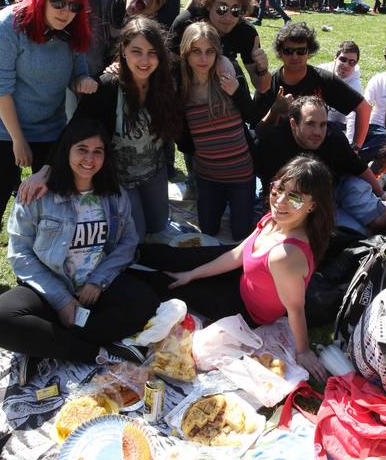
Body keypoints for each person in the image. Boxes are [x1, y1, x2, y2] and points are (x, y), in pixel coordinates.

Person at [0, 117, 158, 384]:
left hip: (93, 291)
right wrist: (61, 300)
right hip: (49, 291)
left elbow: (127, 242)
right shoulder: (36, 195)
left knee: (145, 301)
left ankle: (45, 343)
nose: (90, 159)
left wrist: (98, 281)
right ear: (67, 151)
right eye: (82, 149)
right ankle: (93, 351)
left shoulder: (113, 193)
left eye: (98, 151)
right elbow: (20, 254)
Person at [0, 0, 97, 307]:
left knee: (55, 190)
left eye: (73, 5)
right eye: (58, 2)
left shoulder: (73, 32)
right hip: (0, 123)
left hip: (48, 124)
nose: (66, 12)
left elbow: (77, 72)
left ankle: (47, 259)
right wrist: (17, 140)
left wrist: (83, 82)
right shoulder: (8, 24)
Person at [138, 156, 333, 379]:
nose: (280, 202)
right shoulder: (274, 220)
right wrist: (192, 273)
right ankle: (126, 252)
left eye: (295, 197)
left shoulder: (285, 255)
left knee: (168, 284)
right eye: (278, 190)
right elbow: (238, 254)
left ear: (312, 205)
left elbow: (295, 309)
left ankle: (117, 276)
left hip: (244, 309)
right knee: (177, 258)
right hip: (243, 276)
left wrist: (303, 351)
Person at [20, 17, 180, 243]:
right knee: (137, 237)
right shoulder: (107, 86)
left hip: (154, 171)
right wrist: (44, 171)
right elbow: (74, 129)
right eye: (137, 51)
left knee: (159, 225)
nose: (145, 60)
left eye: (152, 52)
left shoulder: (165, 83)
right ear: (123, 50)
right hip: (120, 179)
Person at [255, 96, 386, 236]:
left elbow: (359, 167)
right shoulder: (274, 144)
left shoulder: (333, 136)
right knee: (354, 233)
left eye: (323, 125)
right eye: (310, 124)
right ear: (294, 124)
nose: (318, 132)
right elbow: (272, 190)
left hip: (342, 185)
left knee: (380, 221)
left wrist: (382, 194)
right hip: (306, 201)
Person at [177, 21, 257, 240]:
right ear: (186, 52)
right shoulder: (182, 87)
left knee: (241, 232)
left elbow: (253, 117)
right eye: (196, 52)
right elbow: (183, 141)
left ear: (217, 52)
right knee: (208, 230)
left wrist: (238, 92)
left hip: (241, 174)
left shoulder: (227, 75)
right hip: (208, 176)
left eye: (209, 52)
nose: (203, 59)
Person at [254, 21, 370, 150]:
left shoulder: (323, 79)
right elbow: (258, 132)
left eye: (301, 51)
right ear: (280, 53)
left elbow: (363, 108)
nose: (294, 56)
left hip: (314, 150)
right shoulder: (268, 84)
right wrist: (274, 112)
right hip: (278, 149)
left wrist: (356, 148)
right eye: (288, 51)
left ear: (309, 52)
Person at [168, 0, 270, 93]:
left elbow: (262, 87)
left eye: (236, 10)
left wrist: (262, 69)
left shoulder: (246, 31)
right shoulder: (186, 24)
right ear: (209, 5)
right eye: (222, 9)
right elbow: (169, 74)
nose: (228, 17)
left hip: (227, 89)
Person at [318, 41, 362, 142]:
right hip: (316, 120)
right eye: (343, 59)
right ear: (335, 58)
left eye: (352, 62)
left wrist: (351, 145)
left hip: (337, 126)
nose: (346, 65)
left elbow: (353, 117)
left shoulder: (355, 86)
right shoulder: (321, 72)